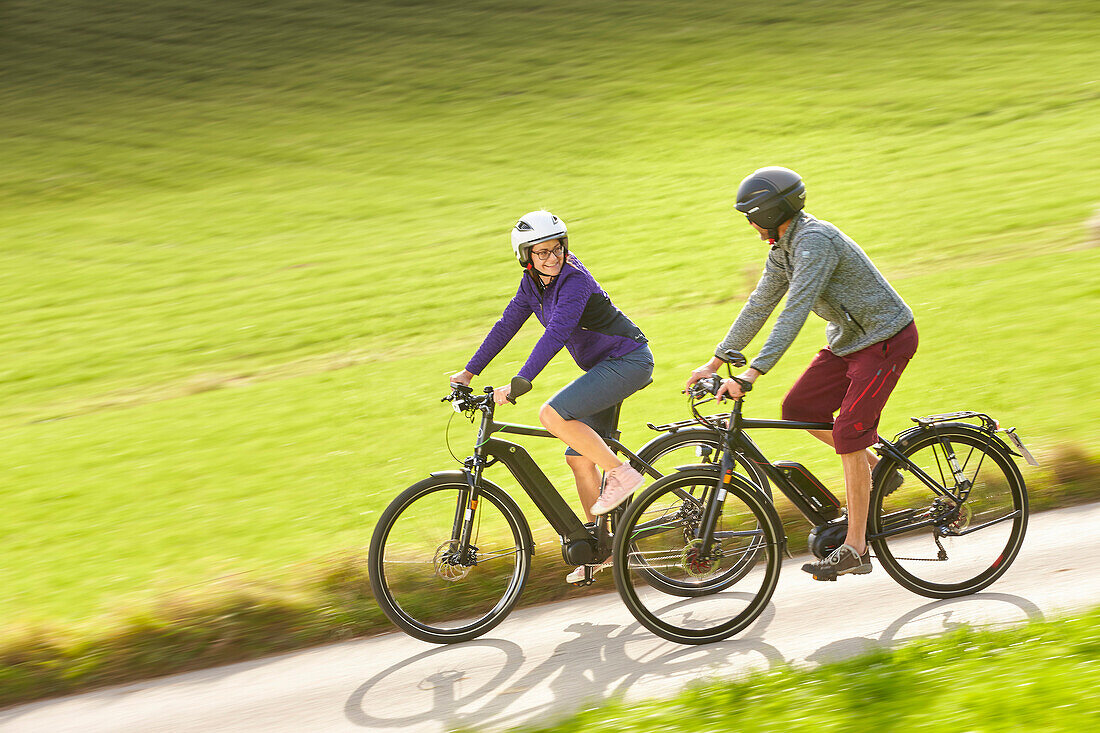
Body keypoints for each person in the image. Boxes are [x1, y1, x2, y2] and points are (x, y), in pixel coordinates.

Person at [686, 167, 918, 581]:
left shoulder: (814, 244)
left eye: (750, 215)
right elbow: (760, 304)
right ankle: (879, 471)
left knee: (848, 430)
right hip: (850, 341)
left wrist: (751, 374)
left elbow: (792, 313)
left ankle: (856, 547)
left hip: (885, 340)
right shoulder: (783, 249)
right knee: (798, 408)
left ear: (772, 210)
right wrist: (716, 361)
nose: (749, 224)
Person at [449, 210, 653, 583]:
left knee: (552, 415)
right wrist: (468, 371)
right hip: (603, 368)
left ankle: (621, 475)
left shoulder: (573, 280)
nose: (552, 258)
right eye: (541, 253)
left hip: (628, 361)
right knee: (578, 459)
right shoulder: (532, 286)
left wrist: (521, 382)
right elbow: (506, 325)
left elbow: (556, 333)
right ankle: (602, 549)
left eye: (557, 249)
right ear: (526, 257)